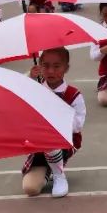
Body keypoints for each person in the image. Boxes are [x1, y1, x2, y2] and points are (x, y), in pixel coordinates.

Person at [23, 48, 85, 198]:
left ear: (66, 68)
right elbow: (16, 95)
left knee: (50, 139)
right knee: (30, 189)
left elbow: (77, 125)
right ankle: (48, 169)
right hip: (39, 143)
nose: (50, 71)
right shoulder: (35, 89)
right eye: (45, 65)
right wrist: (29, 78)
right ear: (39, 66)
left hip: (64, 140)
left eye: (57, 66)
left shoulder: (73, 94)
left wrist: (56, 117)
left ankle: (59, 174)